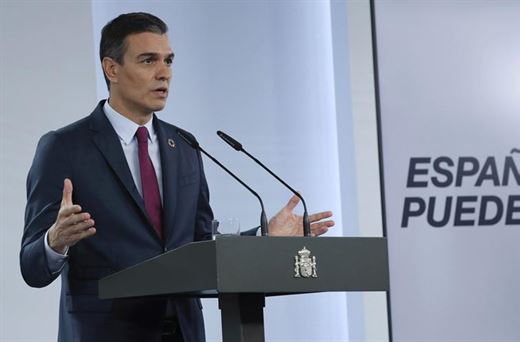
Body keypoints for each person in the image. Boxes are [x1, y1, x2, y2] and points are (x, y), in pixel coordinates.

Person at [20, 12, 334, 342]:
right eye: (148, 60)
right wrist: (54, 243)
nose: (164, 74)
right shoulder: (65, 147)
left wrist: (265, 238)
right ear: (112, 68)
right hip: (106, 332)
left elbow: (201, 246)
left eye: (168, 61)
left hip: (182, 332)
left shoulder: (183, 146)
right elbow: (31, 267)